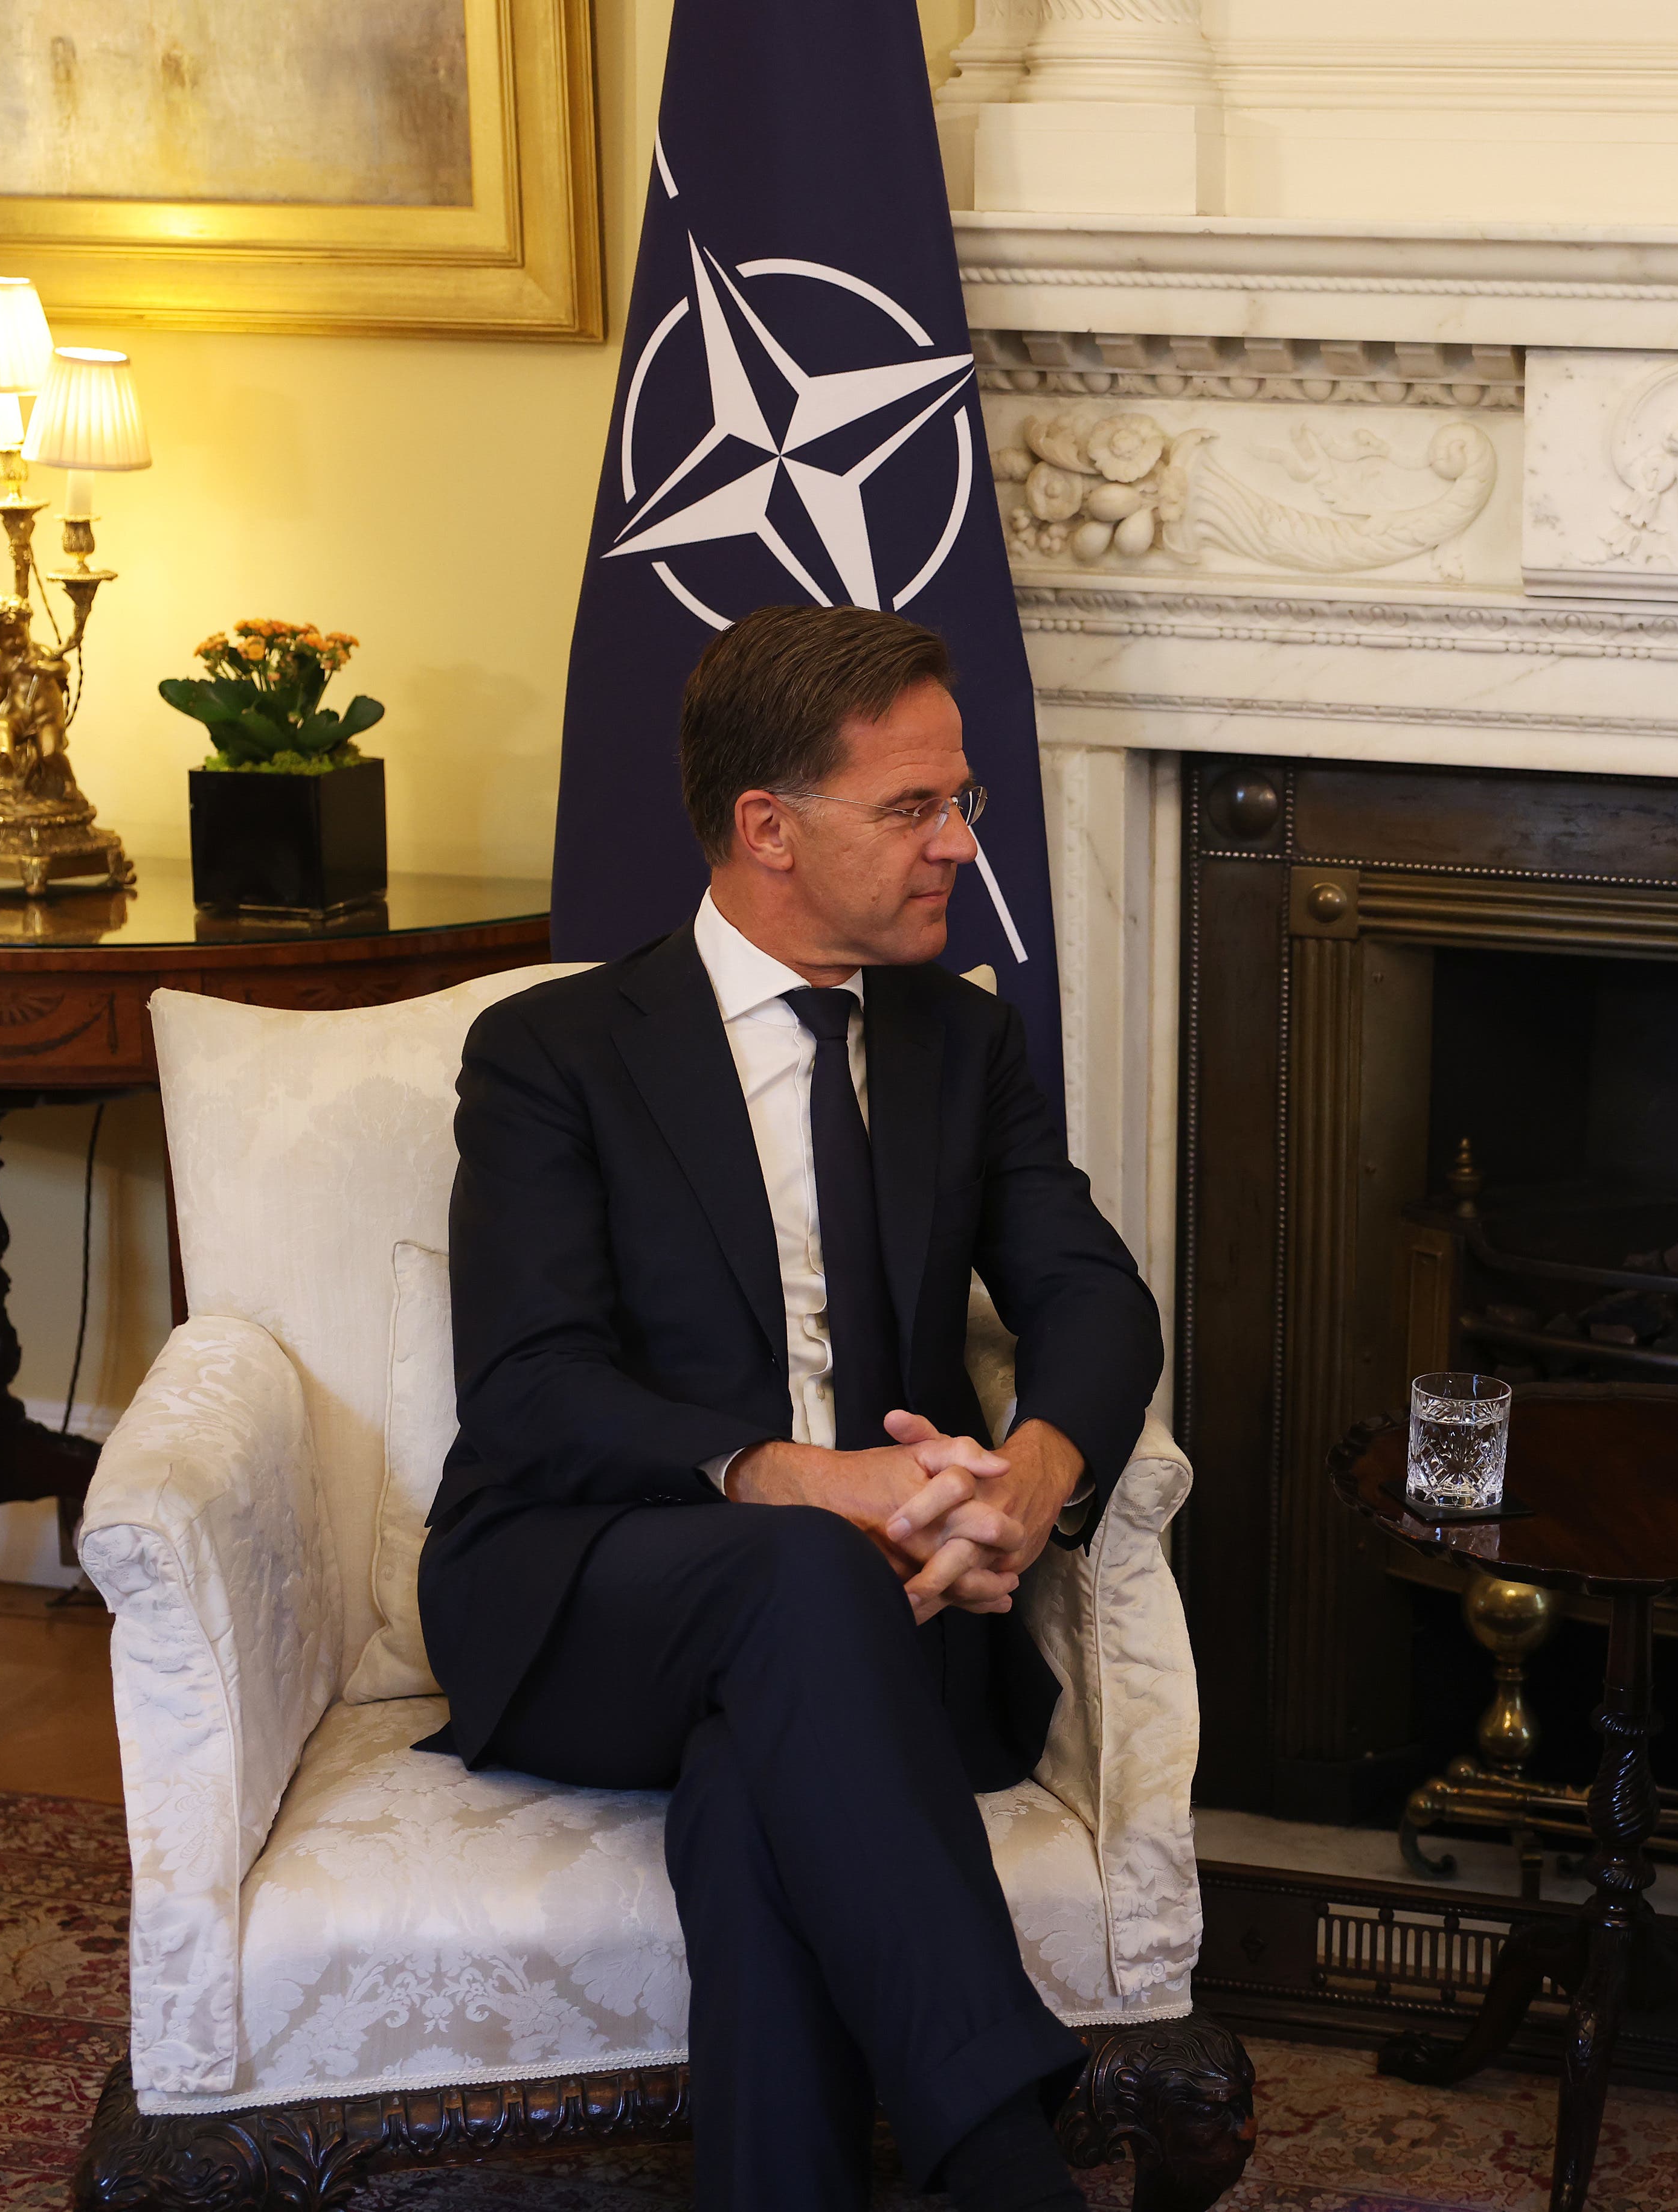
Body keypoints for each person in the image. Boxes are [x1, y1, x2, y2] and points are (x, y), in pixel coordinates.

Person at [415, 603, 1163, 2212]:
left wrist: (1022, 1486)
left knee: (764, 1800)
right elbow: (533, 1394)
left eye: (957, 802)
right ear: (767, 828)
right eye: (913, 808)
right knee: (798, 1571)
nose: (960, 845)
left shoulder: (963, 1041)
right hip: (587, 1593)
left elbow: (1095, 1299)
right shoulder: (552, 1055)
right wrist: (797, 1481)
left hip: (881, 1625)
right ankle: (1004, 2159)